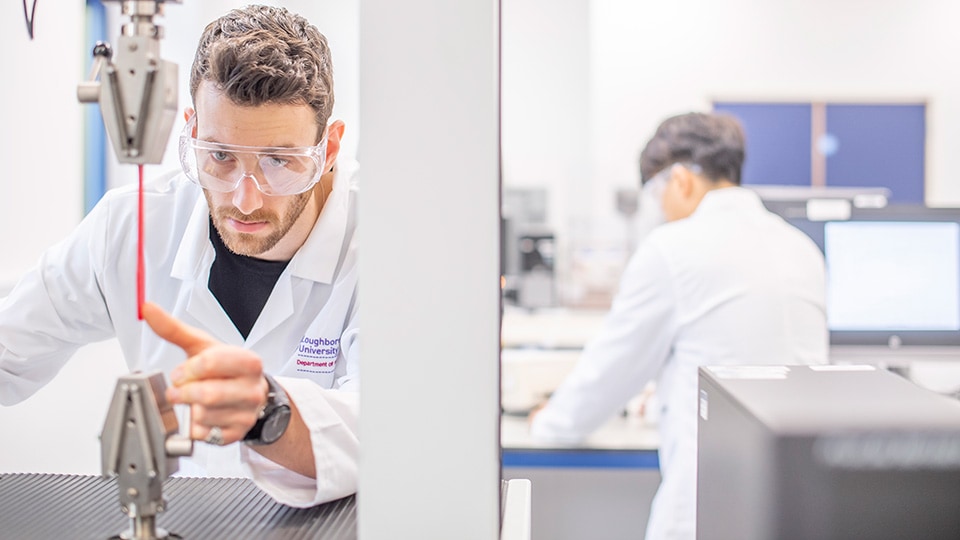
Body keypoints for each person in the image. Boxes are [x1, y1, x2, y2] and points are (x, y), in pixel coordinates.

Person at [0, 5, 357, 508]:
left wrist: (268, 411)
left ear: (330, 147)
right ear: (189, 128)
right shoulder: (131, 225)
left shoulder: (382, 244)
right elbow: (9, 350)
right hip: (185, 516)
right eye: (220, 156)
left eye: (280, 161)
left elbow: (390, 425)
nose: (244, 198)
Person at [530, 112, 828, 539]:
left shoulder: (673, 249)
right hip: (798, 504)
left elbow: (613, 370)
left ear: (682, 180)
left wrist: (550, 423)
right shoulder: (800, 249)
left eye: (656, 191)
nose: (660, 207)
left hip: (706, 506)